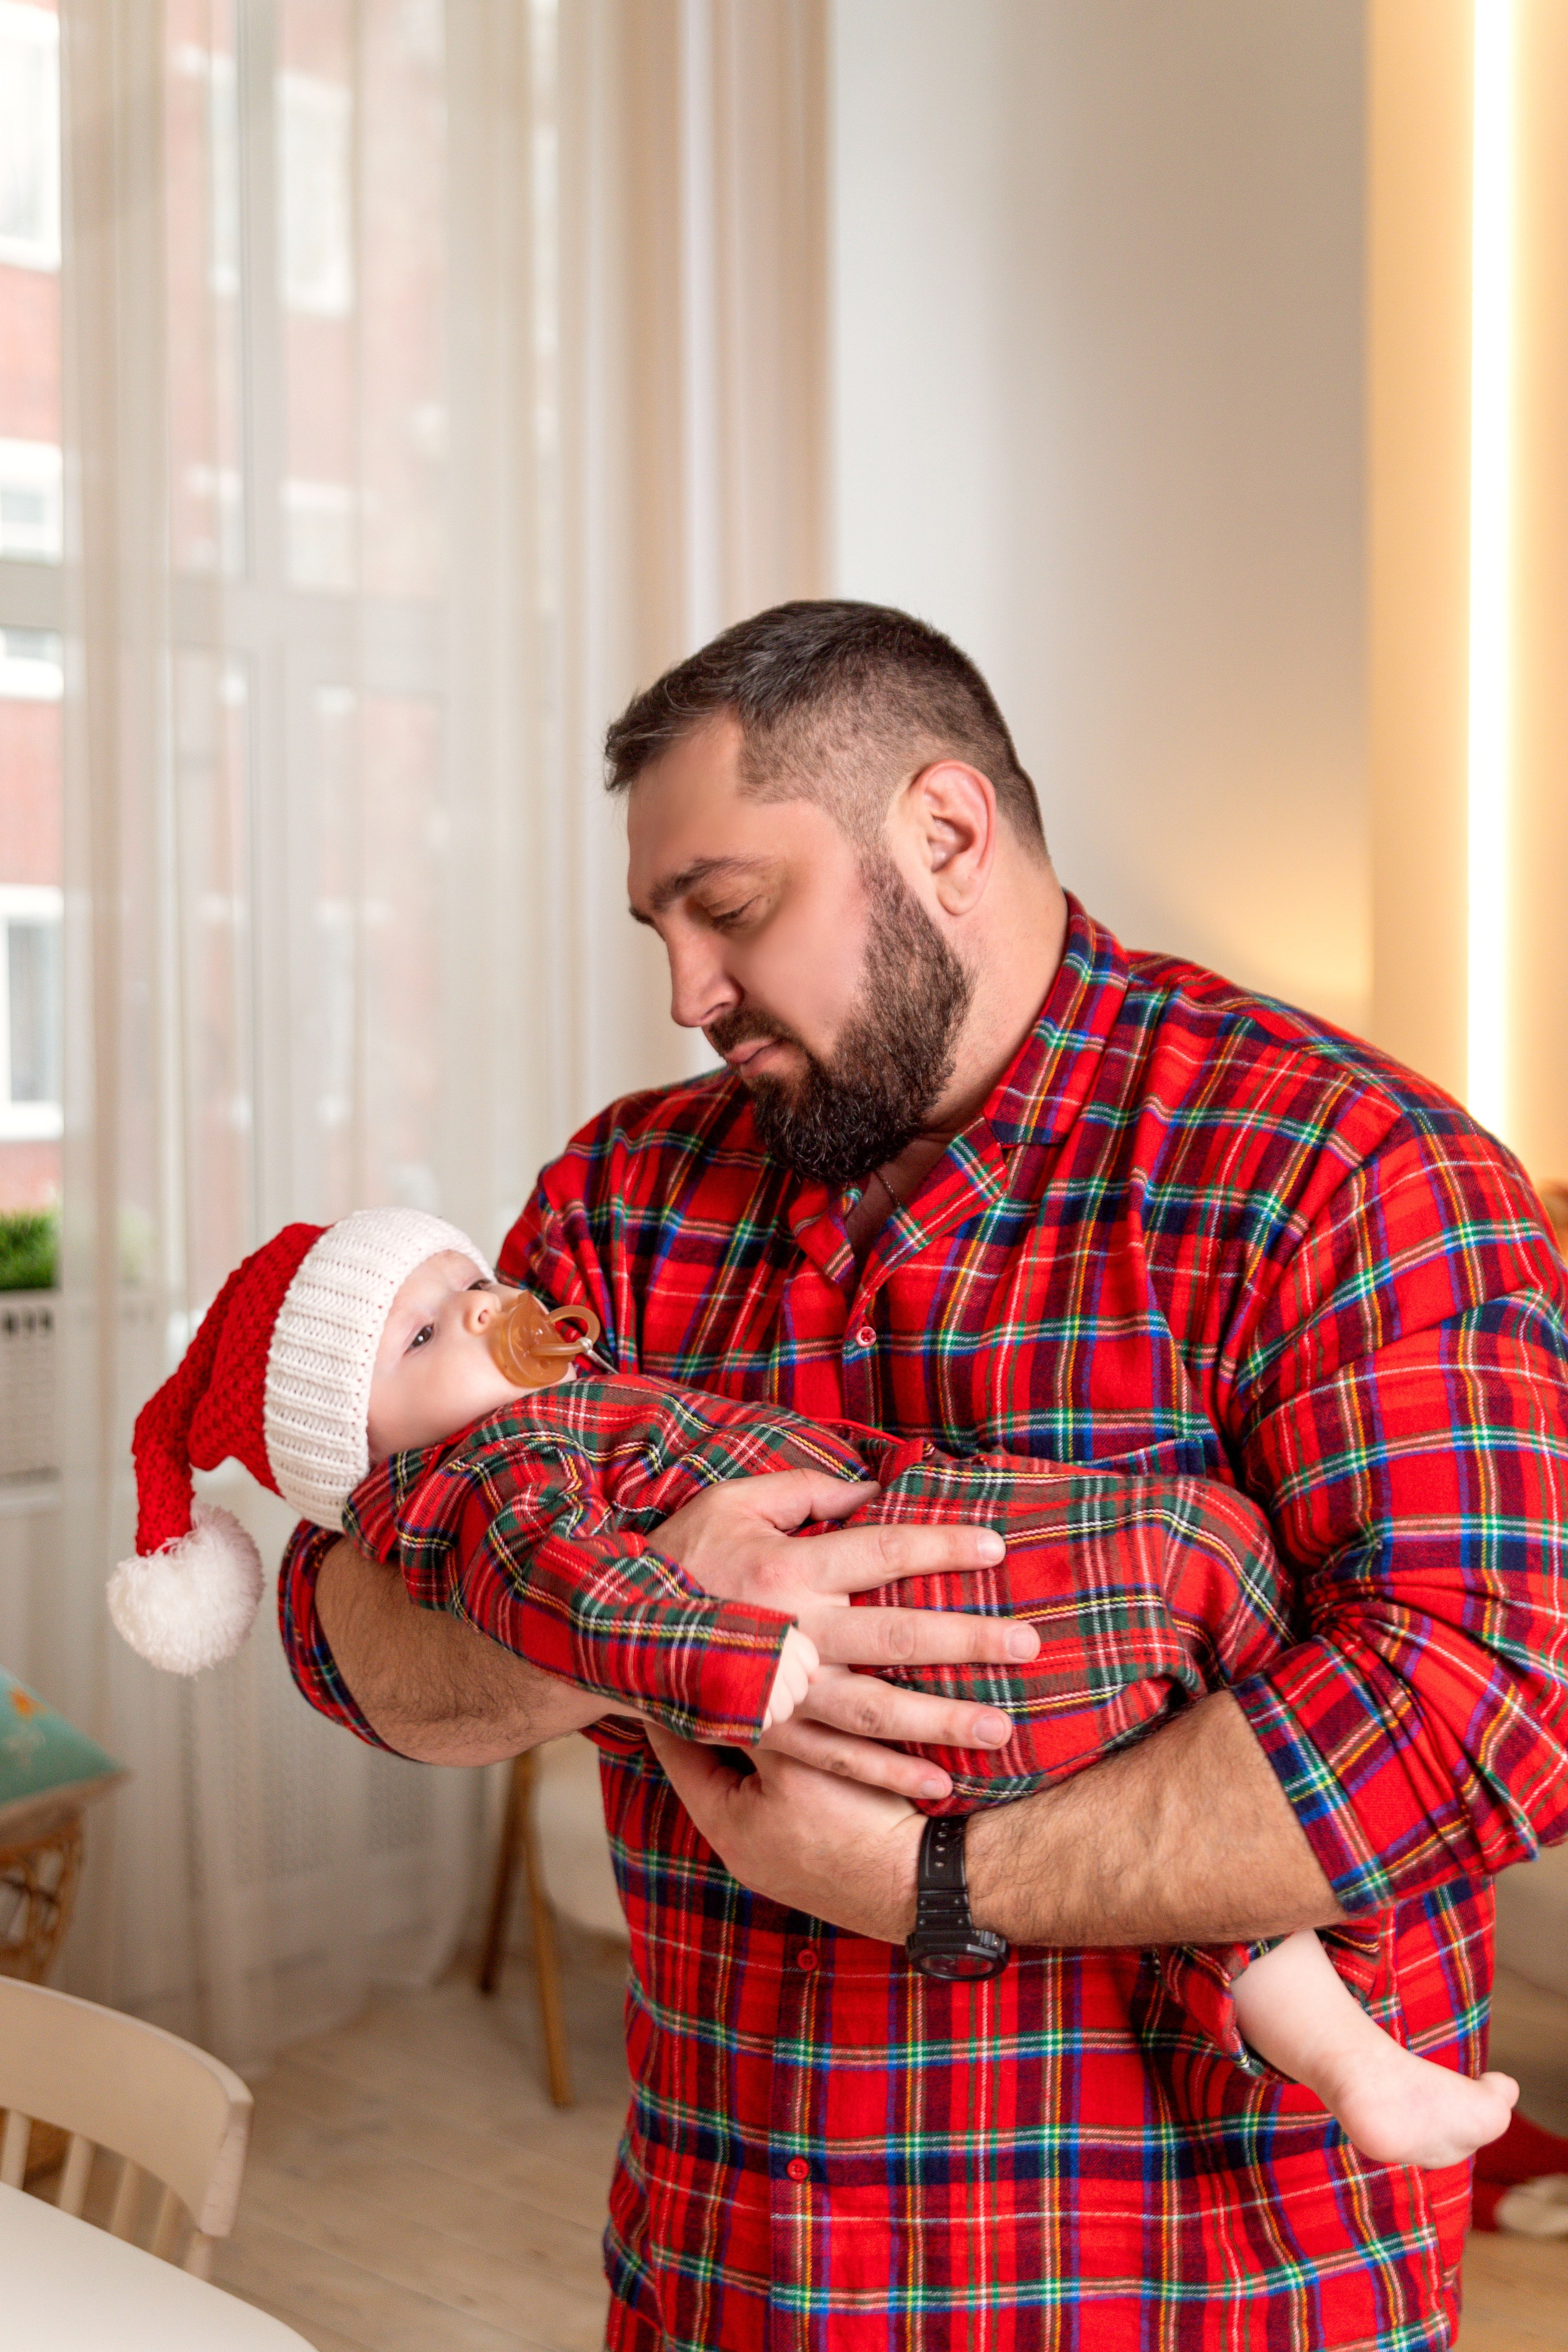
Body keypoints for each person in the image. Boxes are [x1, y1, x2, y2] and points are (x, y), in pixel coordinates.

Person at [277, 603, 1568, 2350]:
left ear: (946, 835)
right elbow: (364, 1626)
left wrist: (939, 1886)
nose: (688, 993)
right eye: (663, 928)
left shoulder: (1344, 1170)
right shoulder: (620, 1198)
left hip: (1208, 2298)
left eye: (730, 910)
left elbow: (1490, 1706)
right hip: (735, 2283)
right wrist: (639, 1617)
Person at [111, 1204, 1518, 2180]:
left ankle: (1348, 2061)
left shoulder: (553, 1400)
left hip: (912, 1660)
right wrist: (744, 1655)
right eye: (420, 1342)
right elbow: (585, 1608)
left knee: (1174, 1744)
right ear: (365, 1470)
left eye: (463, 1282)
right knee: (1198, 1566)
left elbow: (1489, 1682)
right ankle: (1344, 2049)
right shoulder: (487, 1483)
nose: (481, 1312)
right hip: (879, 1643)